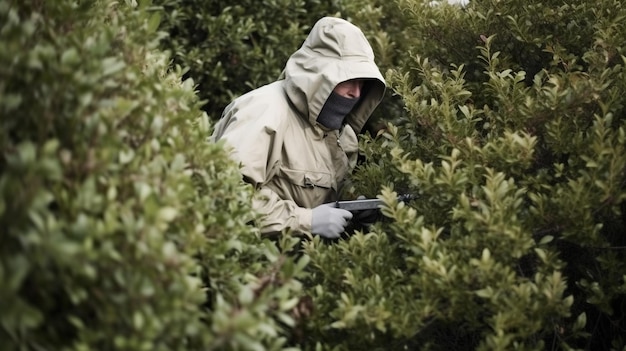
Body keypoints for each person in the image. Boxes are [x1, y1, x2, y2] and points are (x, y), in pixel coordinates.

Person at [211, 16, 386, 239]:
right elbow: (224, 196)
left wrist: (354, 208)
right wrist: (306, 221)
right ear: (319, 75)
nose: (356, 93)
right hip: (252, 267)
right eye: (348, 80)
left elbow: (322, 196)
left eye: (362, 83)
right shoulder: (264, 112)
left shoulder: (340, 132)